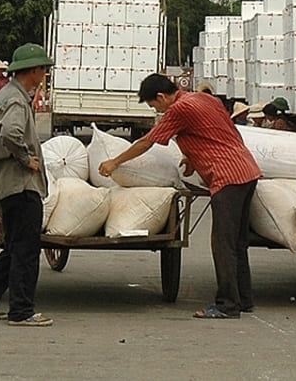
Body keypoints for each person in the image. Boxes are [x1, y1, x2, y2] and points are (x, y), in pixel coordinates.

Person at [98, 73, 262, 319]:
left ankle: (227, 305)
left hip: (227, 177)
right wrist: (192, 156)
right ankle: (244, 300)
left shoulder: (178, 109)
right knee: (237, 242)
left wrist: (115, 162)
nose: (157, 111)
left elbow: (148, 142)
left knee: (223, 244)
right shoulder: (206, 99)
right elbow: (219, 132)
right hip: (247, 171)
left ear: (162, 97)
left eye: (154, 106)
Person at [0, 43, 54, 327]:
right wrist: (24, 159)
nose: (44, 74)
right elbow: (9, 132)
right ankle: (21, 311)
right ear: (33, 71)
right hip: (21, 185)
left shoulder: (7, 94)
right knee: (26, 251)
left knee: (16, 247)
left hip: (8, 185)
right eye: (43, 69)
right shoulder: (16, 100)